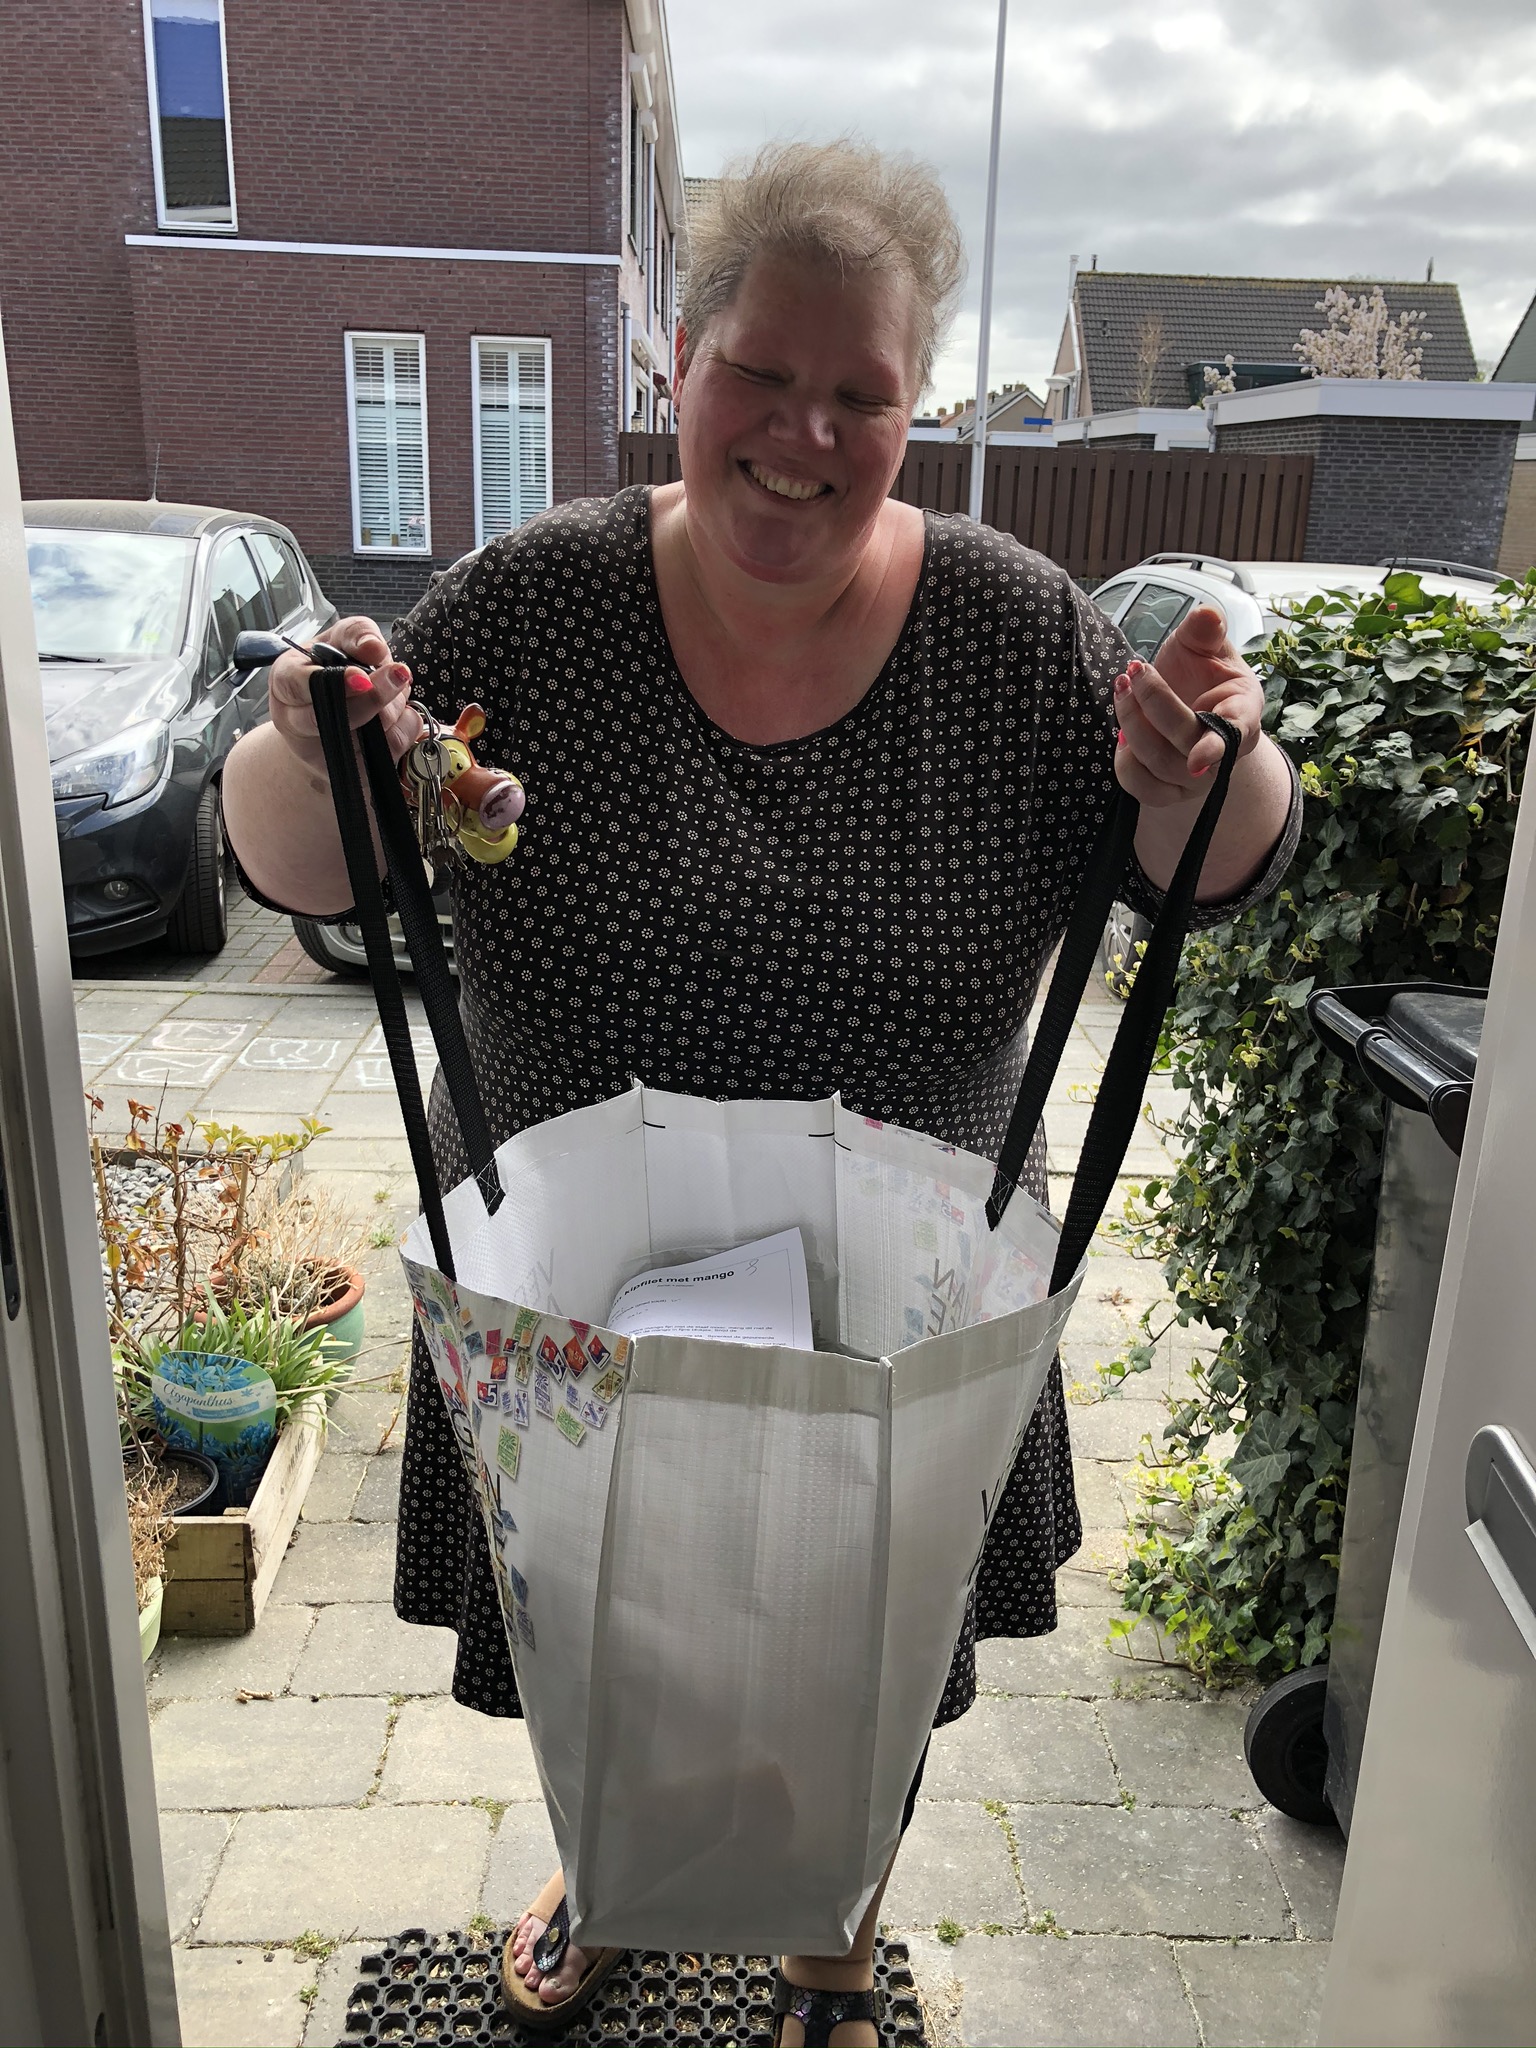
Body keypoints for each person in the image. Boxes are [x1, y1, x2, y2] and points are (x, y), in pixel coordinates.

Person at [223, 140, 1299, 2048]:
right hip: (572, 1297)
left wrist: (1214, 758)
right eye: (762, 374)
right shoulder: (532, 603)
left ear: (916, 406)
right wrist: (305, 747)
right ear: (684, 362)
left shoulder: (1014, 629)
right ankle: (618, 1870)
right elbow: (306, 861)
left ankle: (829, 1928)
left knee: (854, 1640)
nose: (804, 433)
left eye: (860, 395)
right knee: (598, 1619)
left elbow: (1200, 862)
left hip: (899, 1305)